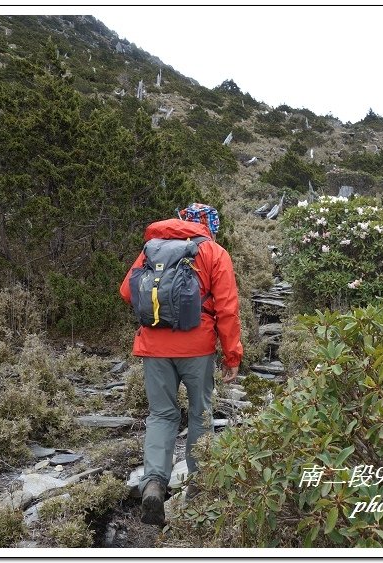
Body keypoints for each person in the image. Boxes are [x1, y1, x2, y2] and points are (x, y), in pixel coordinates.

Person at [119, 203, 243, 526]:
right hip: (197, 348)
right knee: (200, 413)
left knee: (161, 413)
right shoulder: (214, 253)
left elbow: (127, 291)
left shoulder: (153, 247)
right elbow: (228, 310)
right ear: (210, 226)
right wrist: (233, 356)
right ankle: (199, 486)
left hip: (153, 348)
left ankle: (154, 485)